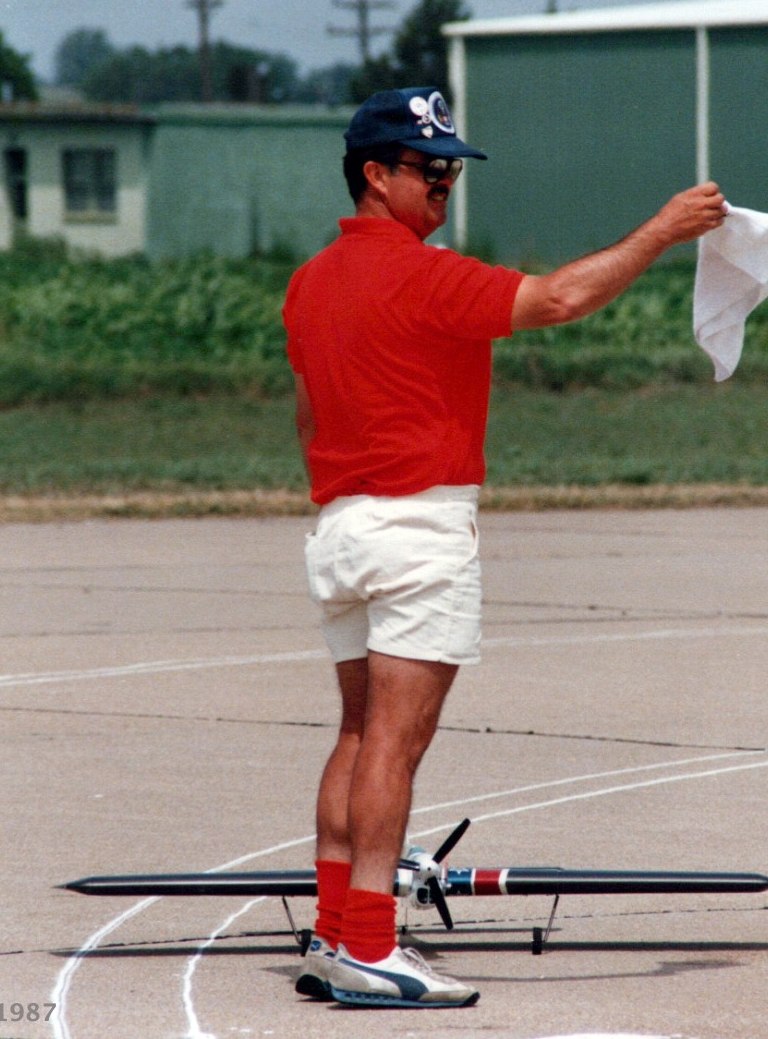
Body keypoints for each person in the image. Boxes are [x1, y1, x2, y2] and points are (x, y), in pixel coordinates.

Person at [283, 85, 725, 1009]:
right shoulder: (424, 274)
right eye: (424, 167)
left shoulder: (310, 281)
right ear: (375, 173)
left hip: (340, 524)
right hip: (418, 529)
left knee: (358, 735)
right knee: (394, 751)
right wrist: (661, 231)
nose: (443, 184)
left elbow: (307, 414)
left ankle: (333, 932)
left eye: (450, 169)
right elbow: (562, 298)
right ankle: (370, 945)